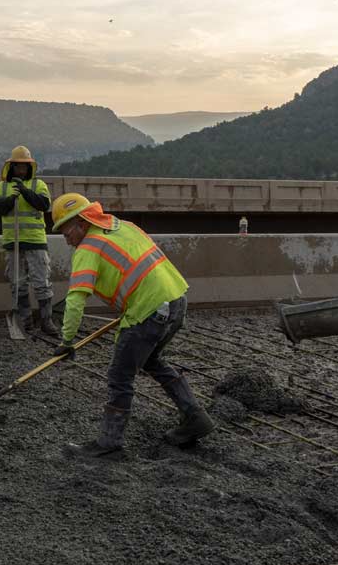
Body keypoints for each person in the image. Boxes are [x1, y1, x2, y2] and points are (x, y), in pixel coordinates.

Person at [50, 192, 215, 459]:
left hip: (149, 310)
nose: (66, 239)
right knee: (152, 361)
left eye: (65, 230)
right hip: (176, 300)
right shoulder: (123, 226)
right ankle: (195, 417)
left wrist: (66, 341)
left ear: (81, 222)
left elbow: (76, 300)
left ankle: (109, 443)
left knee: (119, 376)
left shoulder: (88, 248)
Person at [0, 146, 57, 335]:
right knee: (17, 282)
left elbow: (43, 204)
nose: (21, 170)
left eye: (25, 166)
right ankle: (25, 320)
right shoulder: (0, 187)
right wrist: (12, 197)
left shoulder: (39, 185)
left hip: (35, 242)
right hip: (13, 243)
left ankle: (46, 320)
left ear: (30, 168)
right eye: (18, 166)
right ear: (11, 167)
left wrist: (24, 191)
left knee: (41, 281)